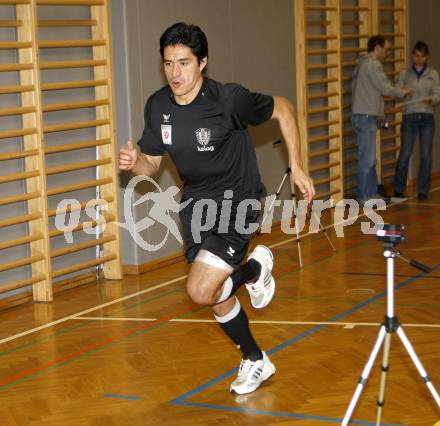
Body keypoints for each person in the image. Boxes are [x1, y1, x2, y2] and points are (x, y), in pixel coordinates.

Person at [118, 22, 314, 394]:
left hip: (237, 199)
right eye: (168, 63)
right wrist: (134, 163)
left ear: (202, 62)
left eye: (184, 62)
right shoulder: (159, 106)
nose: (174, 72)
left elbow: (285, 110)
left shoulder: (229, 100)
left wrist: (297, 165)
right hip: (195, 204)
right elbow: (152, 166)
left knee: (200, 290)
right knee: (212, 295)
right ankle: (256, 358)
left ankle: (254, 268)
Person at [352, 35, 412, 205]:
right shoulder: (372, 64)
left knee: (370, 158)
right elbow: (385, 87)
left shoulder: (362, 63)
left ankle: (371, 194)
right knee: (367, 158)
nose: (387, 53)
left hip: (364, 115)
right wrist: (404, 91)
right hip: (365, 116)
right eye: (386, 49)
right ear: (377, 48)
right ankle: (364, 196)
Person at [394, 41, 440, 200]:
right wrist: (403, 93)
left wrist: (431, 100)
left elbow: (437, 95)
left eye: (421, 56)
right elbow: (396, 93)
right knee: (405, 152)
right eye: (416, 55)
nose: (418, 59)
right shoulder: (404, 74)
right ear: (412, 55)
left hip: (427, 118)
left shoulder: (433, 74)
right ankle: (399, 188)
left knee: (426, 155)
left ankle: (422, 190)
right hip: (409, 117)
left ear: (426, 57)